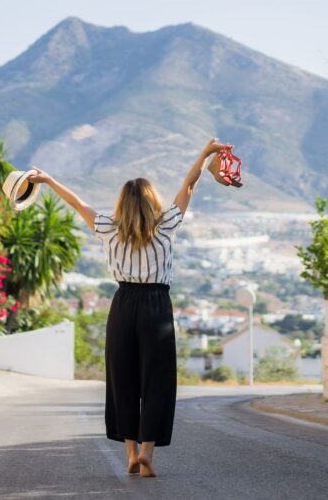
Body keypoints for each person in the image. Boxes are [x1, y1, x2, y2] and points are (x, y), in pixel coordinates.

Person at [27, 138, 232, 478]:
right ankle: (149, 453)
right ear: (153, 202)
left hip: (123, 306)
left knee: (123, 380)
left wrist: (47, 180)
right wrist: (205, 153)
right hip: (156, 305)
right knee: (157, 380)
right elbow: (189, 185)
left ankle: (131, 454)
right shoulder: (166, 224)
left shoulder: (109, 226)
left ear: (122, 203)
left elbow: (77, 203)